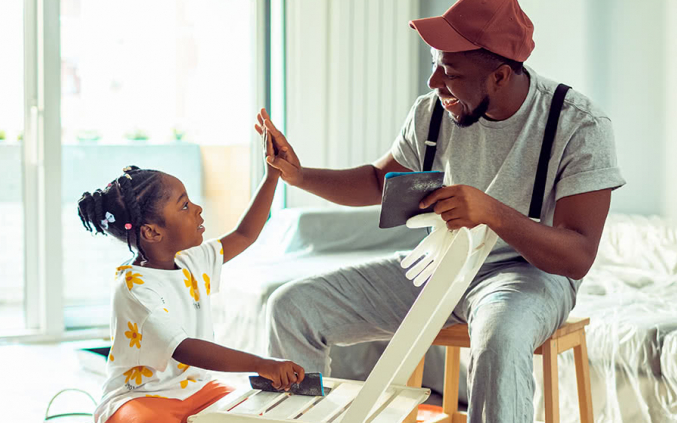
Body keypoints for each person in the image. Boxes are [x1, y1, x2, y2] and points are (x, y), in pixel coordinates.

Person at [255, 0, 625, 421]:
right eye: (435, 65)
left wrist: (492, 212)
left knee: (499, 337)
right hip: (440, 265)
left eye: (449, 73)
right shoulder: (433, 111)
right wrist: (299, 176)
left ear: (500, 75)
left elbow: (577, 257)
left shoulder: (577, 124)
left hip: (527, 276)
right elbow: (378, 182)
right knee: (291, 307)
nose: (434, 83)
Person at [78, 158, 303, 422]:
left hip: (200, 389)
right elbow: (184, 348)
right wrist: (261, 364)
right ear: (151, 232)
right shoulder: (134, 289)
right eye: (184, 206)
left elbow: (245, 235)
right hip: (141, 396)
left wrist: (271, 177)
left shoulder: (191, 260)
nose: (197, 209)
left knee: (251, 413)